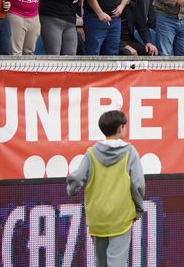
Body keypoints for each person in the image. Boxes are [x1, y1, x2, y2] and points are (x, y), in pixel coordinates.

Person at [66, 110, 145, 267]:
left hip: (97, 217)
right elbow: (138, 184)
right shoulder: (130, 152)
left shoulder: (91, 153)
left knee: (101, 262)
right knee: (117, 262)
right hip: (121, 217)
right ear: (120, 128)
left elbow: (78, 177)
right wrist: (138, 208)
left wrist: (72, 190)